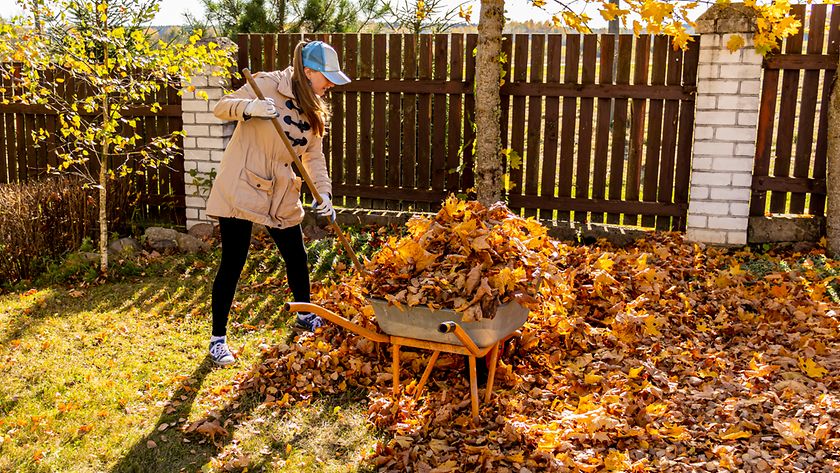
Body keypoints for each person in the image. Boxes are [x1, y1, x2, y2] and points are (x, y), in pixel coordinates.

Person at [204, 40, 351, 366]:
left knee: (296, 256)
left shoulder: (314, 106)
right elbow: (221, 106)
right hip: (242, 184)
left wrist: (323, 194)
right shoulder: (266, 84)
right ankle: (218, 340)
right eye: (326, 77)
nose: (330, 85)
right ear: (308, 71)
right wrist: (250, 108)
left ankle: (304, 315)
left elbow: (314, 156)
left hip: (282, 191)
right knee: (233, 261)